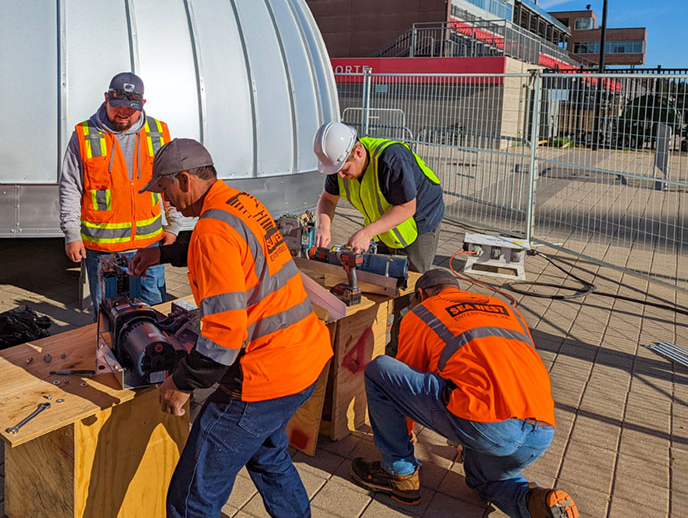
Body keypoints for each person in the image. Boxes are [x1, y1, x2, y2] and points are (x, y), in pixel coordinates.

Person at [130, 138, 333, 518]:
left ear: (185, 180)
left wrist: (181, 382)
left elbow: (224, 333)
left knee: (192, 498)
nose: (165, 201)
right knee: (268, 458)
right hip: (306, 357)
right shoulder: (241, 202)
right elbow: (229, 246)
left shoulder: (212, 231)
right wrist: (164, 251)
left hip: (265, 377)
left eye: (164, 189)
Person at [348, 269, 579, 518]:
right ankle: (537, 504)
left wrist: (405, 433)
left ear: (421, 294)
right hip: (540, 431)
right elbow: (490, 369)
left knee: (380, 371)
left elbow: (404, 382)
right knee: (485, 480)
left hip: (488, 424)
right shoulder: (505, 308)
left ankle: (399, 475)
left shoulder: (423, 312)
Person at [312, 120, 445, 353]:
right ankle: (374, 349)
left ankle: (400, 355)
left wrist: (367, 232)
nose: (341, 176)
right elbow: (327, 199)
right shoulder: (340, 166)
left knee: (409, 294)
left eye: (344, 170)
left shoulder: (392, 160)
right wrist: (324, 226)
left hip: (420, 222)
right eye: (337, 172)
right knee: (377, 286)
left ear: (359, 152)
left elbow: (406, 208)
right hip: (386, 221)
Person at [59, 72, 183, 312]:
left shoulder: (158, 132)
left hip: (149, 246)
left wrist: (174, 224)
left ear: (142, 104)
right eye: (118, 107)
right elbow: (70, 186)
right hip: (103, 250)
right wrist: (72, 234)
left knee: (154, 314)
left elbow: (171, 183)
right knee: (109, 318)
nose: (123, 113)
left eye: (131, 108)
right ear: (107, 98)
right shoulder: (85, 135)